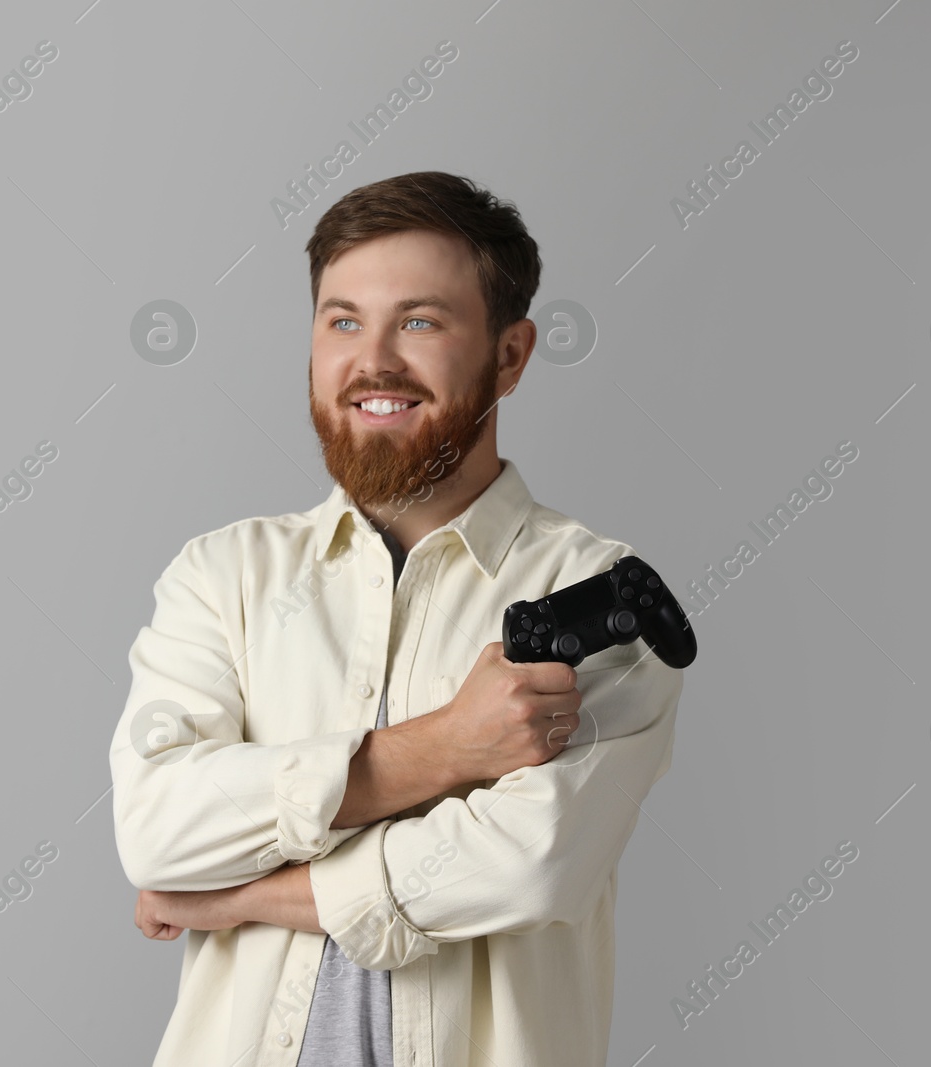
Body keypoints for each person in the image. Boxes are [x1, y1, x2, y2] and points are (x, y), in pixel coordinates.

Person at [110, 170, 684, 1067]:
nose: (373, 361)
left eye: (419, 321)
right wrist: (449, 746)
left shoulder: (597, 592)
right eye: (343, 320)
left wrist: (234, 896)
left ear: (511, 354)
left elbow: (529, 862)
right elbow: (157, 826)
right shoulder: (223, 577)